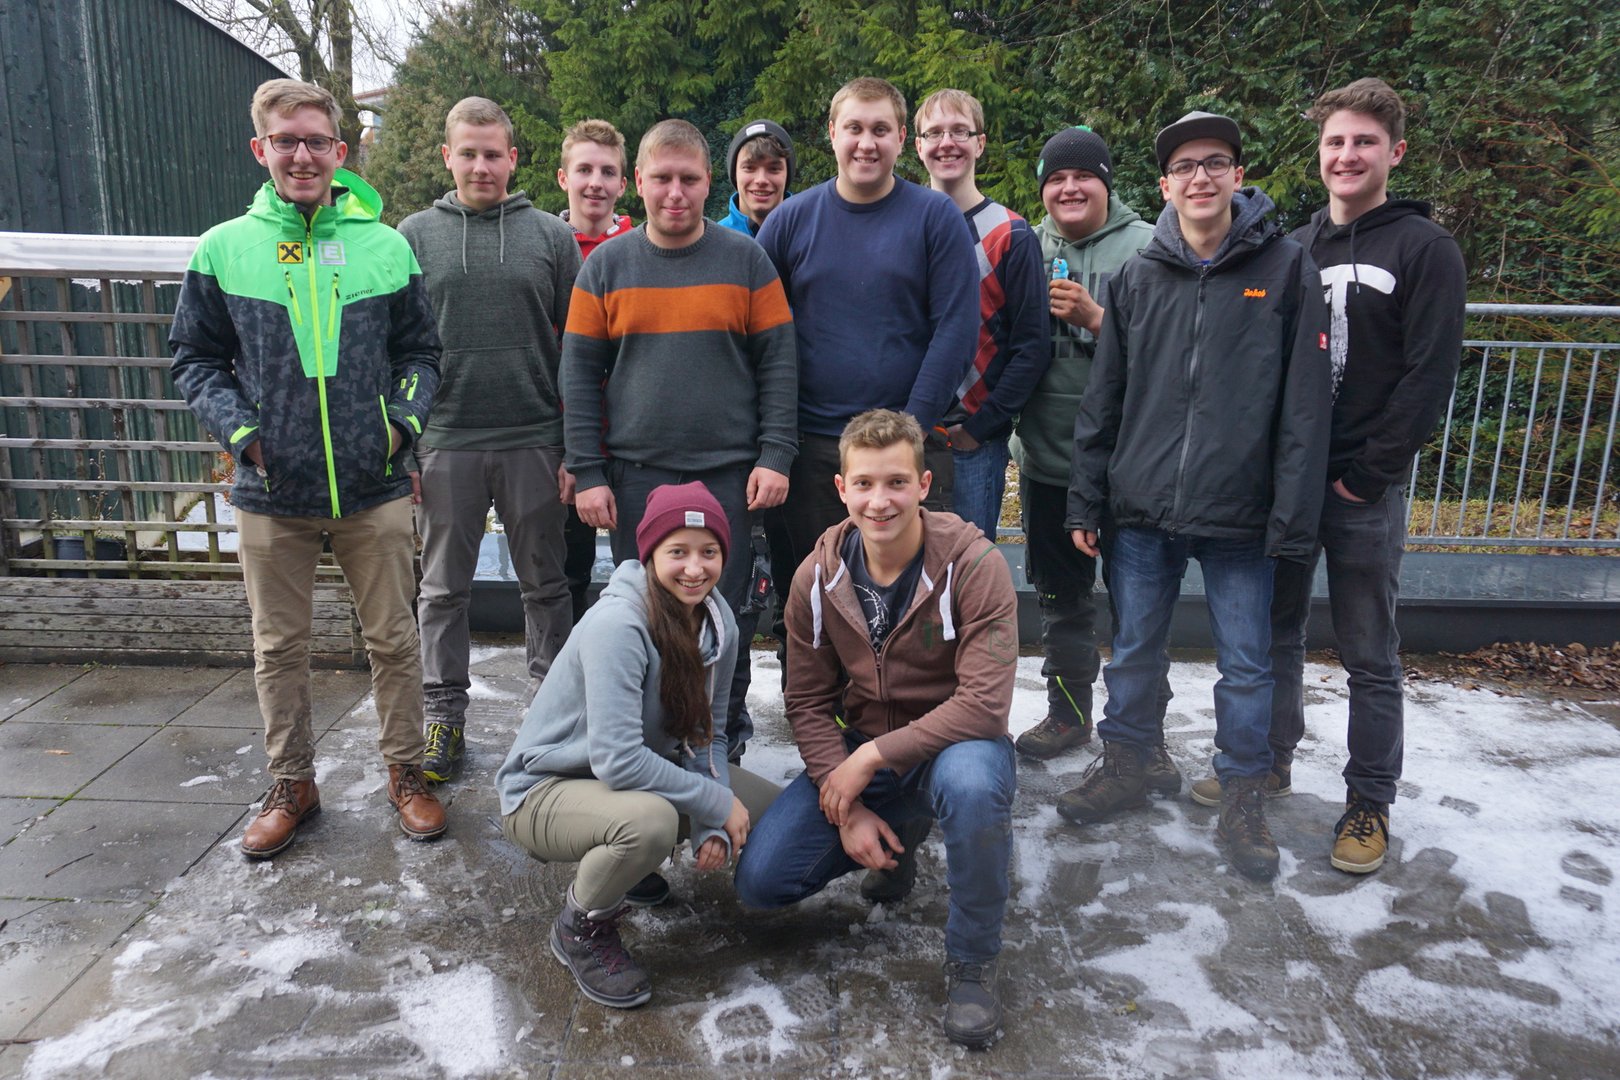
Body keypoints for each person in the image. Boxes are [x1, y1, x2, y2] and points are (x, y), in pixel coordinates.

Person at [1188, 79, 1466, 876]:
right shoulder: (1296, 245)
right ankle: (1271, 759)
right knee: (1275, 634)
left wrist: (1368, 476)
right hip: (1290, 486)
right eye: (1336, 142)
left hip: (1361, 491)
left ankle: (1369, 800)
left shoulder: (1425, 250)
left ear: (1394, 153)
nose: (1347, 156)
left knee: (1369, 651)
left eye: (1364, 142)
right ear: (1319, 153)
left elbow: (1428, 377)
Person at [170, 78, 445, 857]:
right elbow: (194, 358)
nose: (302, 156)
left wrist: (399, 427)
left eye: (316, 141)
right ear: (260, 149)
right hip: (271, 488)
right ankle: (293, 782)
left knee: (394, 640)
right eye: (286, 141)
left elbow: (422, 352)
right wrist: (244, 435)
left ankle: (406, 772)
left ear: (339, 151)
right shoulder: (225, 248)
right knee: (279, 648)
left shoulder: (385, 246)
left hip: (372, 485)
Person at [1060, 111, 1332, 882]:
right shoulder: (1137, 277)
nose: (1200, 177)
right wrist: (1086, 498)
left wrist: (1293, 516)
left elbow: (1305, 406)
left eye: (1215, 162)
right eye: (1184, 166)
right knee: (1134, 651)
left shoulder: (1287, 270)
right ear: (1164, 185)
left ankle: (1244, 793)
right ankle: (1129, 762)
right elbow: (1105, 398)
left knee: (1246, 664)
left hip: (1242, 513)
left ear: (1238, 175)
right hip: (1142, 507)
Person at [736, 409, 1019, 1049]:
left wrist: (867, 761)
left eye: (896, 482)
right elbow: (806, 699)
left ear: (924, 484)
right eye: (864, 484)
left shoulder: (975, 565)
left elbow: (984, 705)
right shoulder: (817, 576)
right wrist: (847, 805)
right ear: (842, 489)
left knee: (973, 787)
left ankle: (972, 963)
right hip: (866, 744)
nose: (879, 501)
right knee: (762, 882)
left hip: (957, 747)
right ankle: (901, 833)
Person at [562, 118, 796, 774]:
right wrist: (587, 472)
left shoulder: (745, 260)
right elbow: (578, 374)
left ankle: (723, 741)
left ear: (707, 182)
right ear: (638, 182)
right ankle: (650, 741)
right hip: (637, 476)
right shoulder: (606, 266)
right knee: (648, 614)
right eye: (661, 178)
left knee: (728, 613)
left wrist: (775, 454)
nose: (675, 193)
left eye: (688, 179)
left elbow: (780, 362)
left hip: (729, 475)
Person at [495, 483, 781, 1008]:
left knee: (772, 814)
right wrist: (714, 801)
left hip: (632, 776)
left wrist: (713, 820)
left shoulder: (717, 621)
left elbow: (708, 734)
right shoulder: (618, 624)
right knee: (650, 824)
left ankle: (628, 871)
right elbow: (617, 760)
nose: (695, 568)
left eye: (709, 552)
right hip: (547, 789)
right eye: (678, 552)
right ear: (650, 555)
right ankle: (580, 926)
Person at [755, 76, 978, 669]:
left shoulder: (935, 218)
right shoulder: (790, 222)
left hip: (907, 447)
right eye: (854, 127)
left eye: (881, 129)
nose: (866, 142)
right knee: (812, 597)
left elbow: (956, 329)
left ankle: (909, 712)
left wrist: (911, 428)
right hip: (813, 450)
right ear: (832, 133)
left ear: (902, 138)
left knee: (915, 604)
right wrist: (776, 438)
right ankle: (816, 712)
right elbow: (762, 337)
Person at [398, 97, 581, 781]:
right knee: (443, 590)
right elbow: (396, 347)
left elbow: (581, 351)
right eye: (468, 153)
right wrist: (404, 445)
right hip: (446, 440)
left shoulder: (551, 238)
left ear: (513, 158)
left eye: (493, 153)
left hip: (534, 437)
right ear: (448, 157)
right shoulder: (413, 236)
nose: (481, 166)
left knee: (546, 586)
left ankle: (552, 715)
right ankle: (443, 718)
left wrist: (575, 449)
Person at [1008, 126, 1180, 796]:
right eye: (1056, 178)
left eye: (1083, 176)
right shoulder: (1026, 246)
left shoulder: (1147, 246)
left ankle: (1145, 739)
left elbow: (1175, 350)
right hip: (1048, 461)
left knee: (1140, 613)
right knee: (1061, 601)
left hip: (1131, 465)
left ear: (1106, 183)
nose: (1070, 188)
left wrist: (1098, 319)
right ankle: (1069, 715)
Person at [911, 89, 1047, 541]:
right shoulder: (902, 226)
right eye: (934, 133)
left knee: (968, 568)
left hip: (972, 442)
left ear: (980, 143)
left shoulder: (1011, 234)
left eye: (960, 132)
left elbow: (1031, 347)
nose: (947, 142)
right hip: (904, 435)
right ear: (918, 146)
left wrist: (980, 427)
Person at [557, 118, 636, 621]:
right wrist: (568, 449)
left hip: (633, 444)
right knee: (566, 575)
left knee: (641, 573)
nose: (595, 183)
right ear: (563, 177)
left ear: (624, 184)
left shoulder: (643, 246)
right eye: (584, 170)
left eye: (608, 172)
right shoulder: (545, 245)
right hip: (570, 443)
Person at [716, 119, 795, 236]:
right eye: (749, 168)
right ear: (734, 174)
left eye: (773, 169)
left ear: (788, 174)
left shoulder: (811, 236)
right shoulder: (715, 241)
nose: (761, 180)